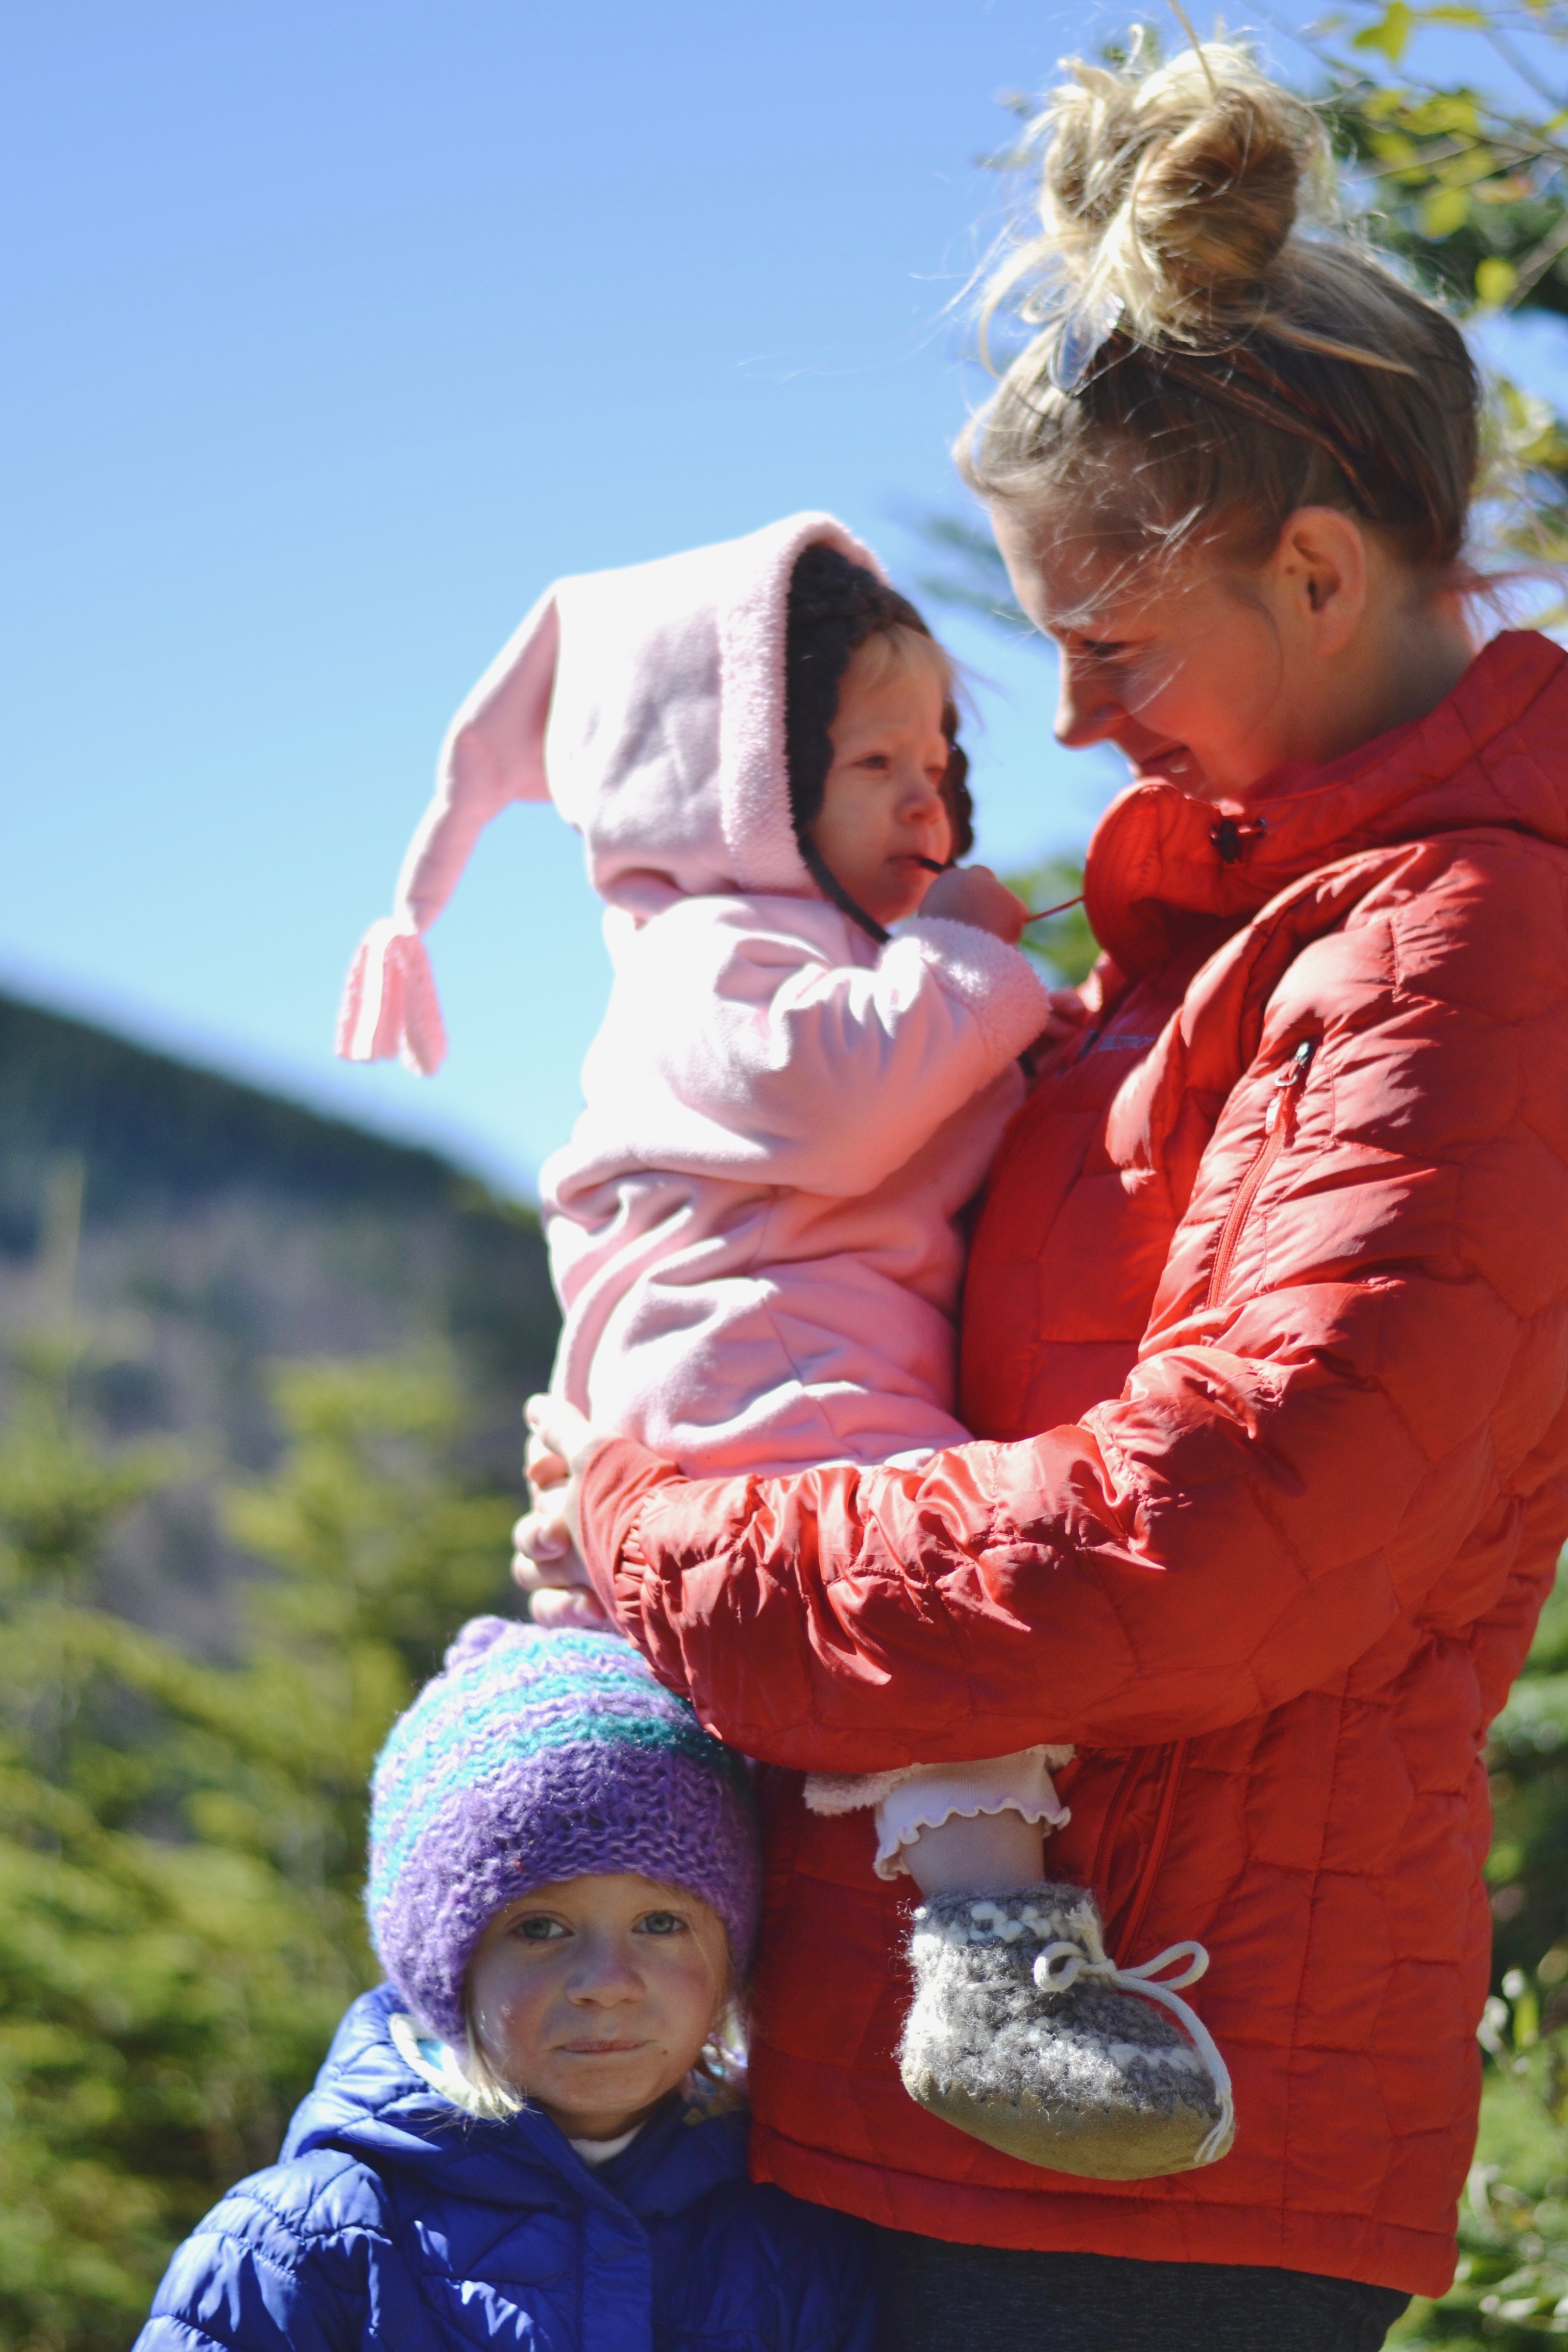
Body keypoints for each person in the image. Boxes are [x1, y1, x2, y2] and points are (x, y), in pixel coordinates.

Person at [515, 33, 1568, 2352]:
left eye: (1108, 640)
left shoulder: (1460, 948)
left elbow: (1223, 1524)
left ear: (1314, 571)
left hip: (1157, 2155)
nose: (1073, 719)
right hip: (955, 2114)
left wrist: (666, 1541)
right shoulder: (1214, 946)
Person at [337, 513, 1224, 2172]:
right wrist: (973, 956)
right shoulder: (710, 953)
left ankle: (680, 2044)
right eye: (871, 761)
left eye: (938, 761)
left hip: (748, 1364)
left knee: (777, 1700)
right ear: (723, 791)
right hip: (751, 1363)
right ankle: (992, 1975)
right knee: (934, 1599)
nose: (926, 802)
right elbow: (844, 1101)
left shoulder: (829, 959)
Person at [133, 1620, 876, 2352]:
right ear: (445, 1970)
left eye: (659, 1923)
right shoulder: (301, 2248)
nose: (608, 1984)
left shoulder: (793, 2238)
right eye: (541, 1929)